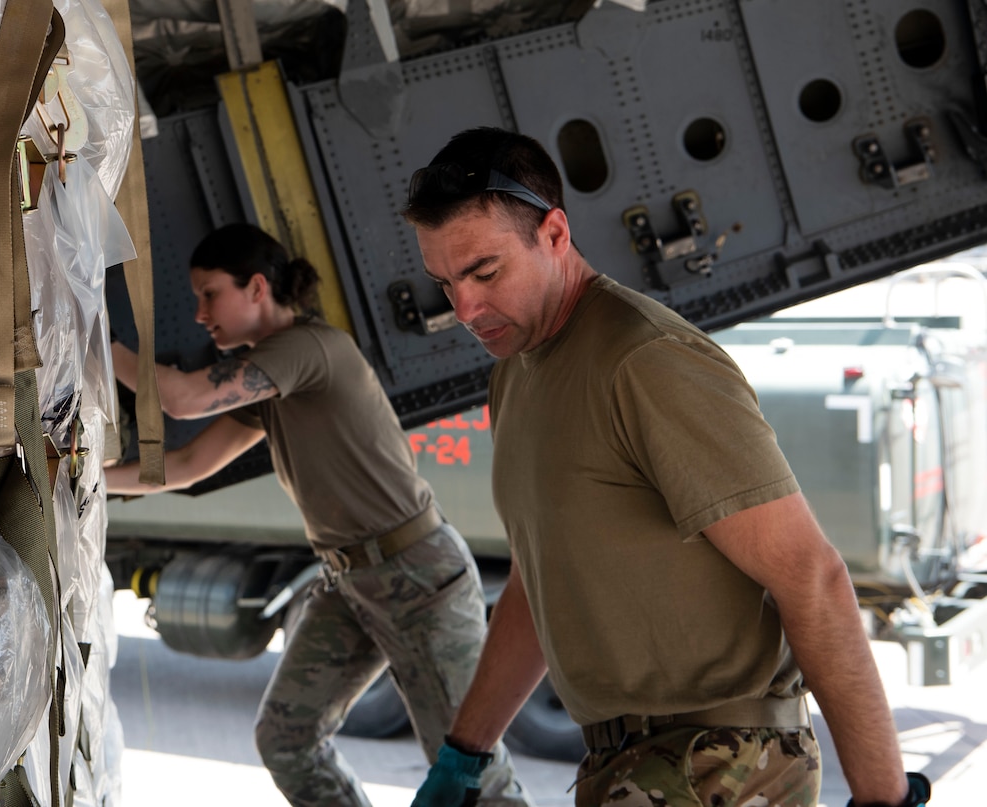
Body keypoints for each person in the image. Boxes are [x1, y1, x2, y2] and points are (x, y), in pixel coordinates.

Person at [401, 127, 931, 807]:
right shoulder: (518, 376)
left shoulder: (644, 360)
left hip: (716, 761)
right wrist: (465, 752)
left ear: (555, 235)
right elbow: (543, 580)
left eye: (485, 272)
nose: (465, 309)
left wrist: (883, 798)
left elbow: (811, 573)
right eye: (446, 283)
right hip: (627, 761)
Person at [106, 222, 532, 807]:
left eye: (211, 294)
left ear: (257, 288)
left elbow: (181, 399)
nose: (202, 314)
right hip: (353, 579)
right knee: (287, 739)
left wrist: (105, 349)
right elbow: (188, 464)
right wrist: (91, 481)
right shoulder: (273, 377)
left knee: (467, 769)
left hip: (417, 579)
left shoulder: (306, 350)